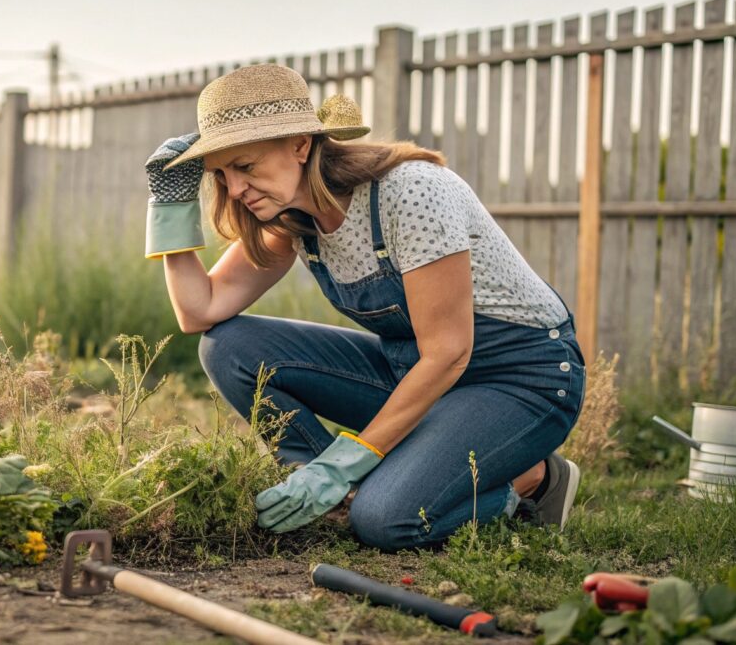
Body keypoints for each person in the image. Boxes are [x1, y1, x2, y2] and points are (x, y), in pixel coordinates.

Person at [142, 63, 586, 552]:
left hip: (518, 379)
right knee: (229, 346)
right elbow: (199, 312)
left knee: (384, 520)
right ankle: (327, 494)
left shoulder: (411, 191)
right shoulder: (293, 217)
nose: (234, 189)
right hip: (415, 373)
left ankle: (531, 481)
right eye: (221, 175)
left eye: (245, 166)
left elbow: (449, 352)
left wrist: (346, 462)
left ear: (300, 145)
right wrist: (169, 206)